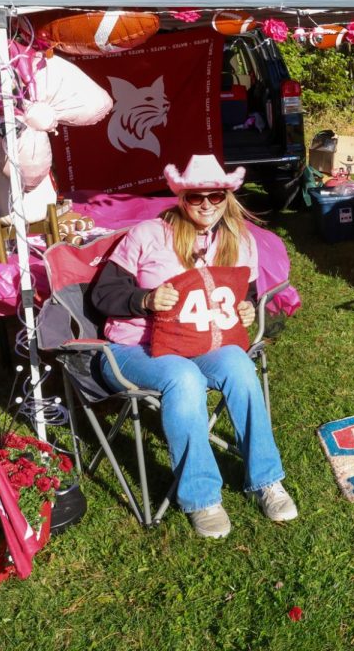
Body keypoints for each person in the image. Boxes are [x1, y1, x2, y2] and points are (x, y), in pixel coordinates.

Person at [91, 154, 296, 538]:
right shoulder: (149, 234)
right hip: (135, 348)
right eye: (195, 196)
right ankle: (202, 498)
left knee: (238, 364)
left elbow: (244, 292)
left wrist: (246, 309)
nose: (205, 204)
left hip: (204, 341)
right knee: (184, 378)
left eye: (215, 196)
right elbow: (102, 295)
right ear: (181, 197)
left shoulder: (238, 239)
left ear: (227, 197)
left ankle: (266, 480)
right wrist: (145, 301)